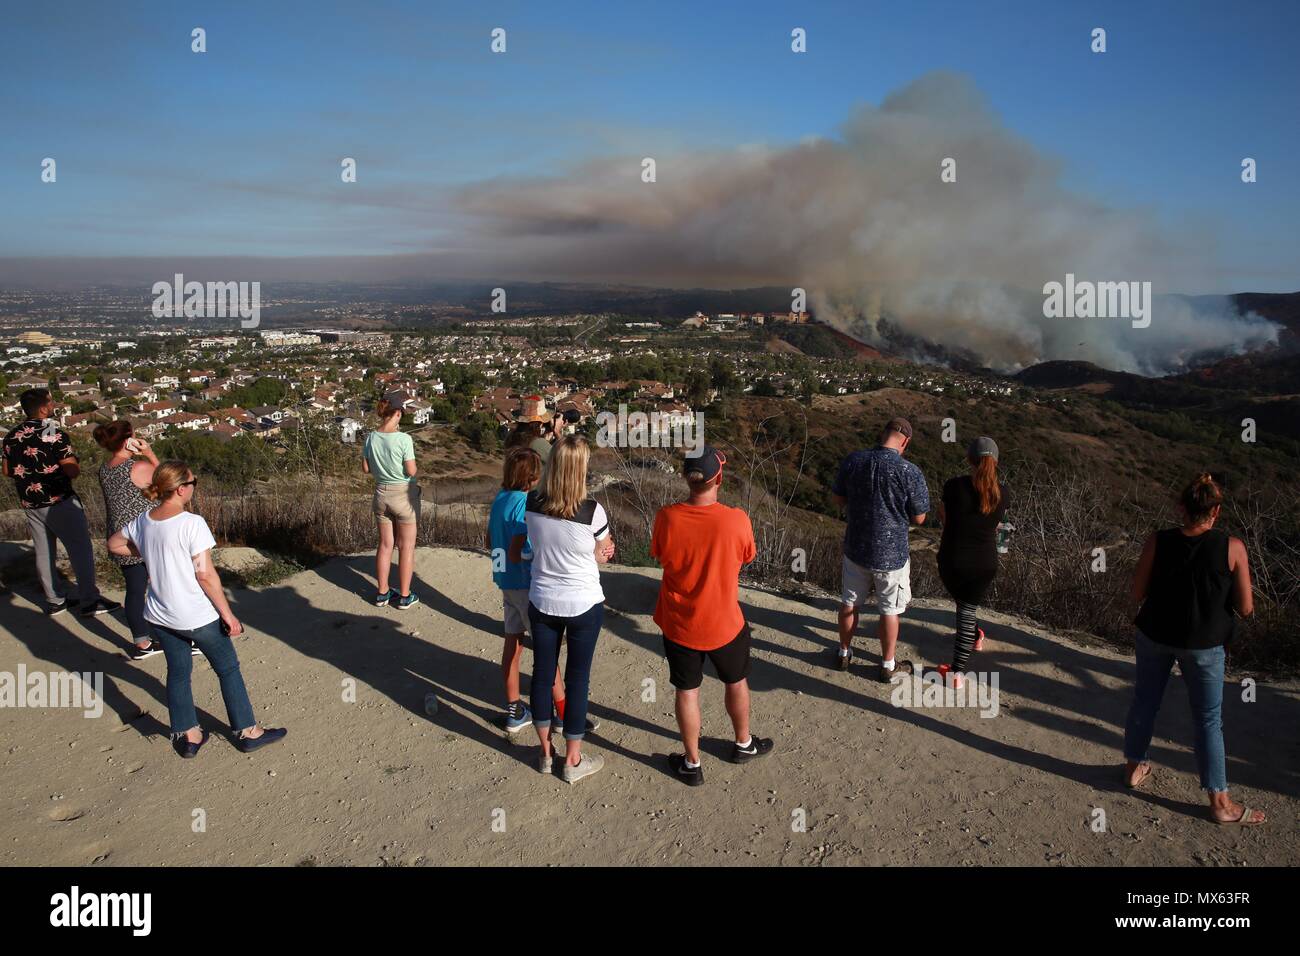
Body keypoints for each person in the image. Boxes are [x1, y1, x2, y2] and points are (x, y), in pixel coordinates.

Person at [108, 461, 286, 758]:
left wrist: (149, 553)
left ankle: (187, 735)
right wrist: (228, 616)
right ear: (181, 489)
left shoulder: (143, 521)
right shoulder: (192, 523)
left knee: (178, 672)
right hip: (195, 614)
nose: (194, 487)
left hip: (160, 614)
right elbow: (205, 574)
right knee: (228, 669)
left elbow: (114, 545)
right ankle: (247, 731)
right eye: (194, 482)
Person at [1123, 473, 1265, 827]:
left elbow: (1137, 593)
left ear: (1181, 508)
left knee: (1144, 702)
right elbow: (1246, 608)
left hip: (1155, 634)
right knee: (1207, 720)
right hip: (1205, 645)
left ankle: (1133, 767)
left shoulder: (1159, 541)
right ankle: (1219, 802)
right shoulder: (1232, 547)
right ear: (1215, 512)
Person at [651, 445, 774, 786]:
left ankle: (692, 764)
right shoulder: (736, 520)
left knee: (687, 691)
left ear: (686, 479)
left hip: (680, 623)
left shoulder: (667, 517)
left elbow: (660, 555)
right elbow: (748, 557)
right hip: (725, 623)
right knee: (736, 681)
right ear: (718, 477)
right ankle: (743, 744)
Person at [523, 435, 613, 783]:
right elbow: (600, 555)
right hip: (582, 603)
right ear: (581, 469)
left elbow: (540, 543)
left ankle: (546, 753)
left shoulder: (531, 502)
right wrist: (603, 552)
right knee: (577, 679)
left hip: (542, 600)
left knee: (543, 673)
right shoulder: (593, 511)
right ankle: (572, 760)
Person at [2, 388, 119, 617]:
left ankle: (55, 600)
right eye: (51, 402)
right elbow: (71, 470)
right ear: (44, 408)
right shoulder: (52, 431)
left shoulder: (12, 435)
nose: (54, 405)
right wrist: (74, 461)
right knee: (80, 549)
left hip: (30, 502)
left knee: (44, 552)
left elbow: (7, 471)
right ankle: (89, 600)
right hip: (59, 500)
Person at [831, 417, 929, 682]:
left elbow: (838, 499)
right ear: (905, 442)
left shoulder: (854, 461)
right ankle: (887, 664)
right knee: (889, 610)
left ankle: (843, 652)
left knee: (849, 603)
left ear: (882, 433)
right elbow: (920, 518)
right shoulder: (910, 472)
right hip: (892, 554)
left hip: (856, 547)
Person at [487, 447, 564, 733]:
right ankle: (563, 712)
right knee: (547, 652)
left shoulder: (499, 499)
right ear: (531, 477)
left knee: (513, 645)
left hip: (505, 581)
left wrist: (500, 568)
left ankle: (514, 710)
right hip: (525, 584)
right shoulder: (523, 503)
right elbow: (521, 549)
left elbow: (491, 541)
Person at [924, 437, 1010, 688]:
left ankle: (956, 673)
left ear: (969, 459)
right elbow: (998, 526)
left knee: (965, 608)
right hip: (985, 562)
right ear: (996, 461)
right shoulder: (1003, 493)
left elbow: (943, 517)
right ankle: (973, 635)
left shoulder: (954, 486)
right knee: (966, 608)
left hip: (952, 559)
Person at [94, 420, 163, 659]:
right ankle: (180, 635)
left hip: (120, 537)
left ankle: (142, 643)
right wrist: (149, 452)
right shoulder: (138, 467)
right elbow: (171, 483)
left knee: (135, 590)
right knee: (165, 587)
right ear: (128, 439)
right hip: (146, 535)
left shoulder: (105, 468)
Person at [362, 392, 420, 609]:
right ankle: (405, 596)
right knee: (406, 547)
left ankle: (382, 593)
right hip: (403, 495)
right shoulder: (404, 439)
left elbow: (366, 468)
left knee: (385, 545)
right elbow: (411, 470)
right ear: (397, 412)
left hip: (380, 494)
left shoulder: (370, 437)